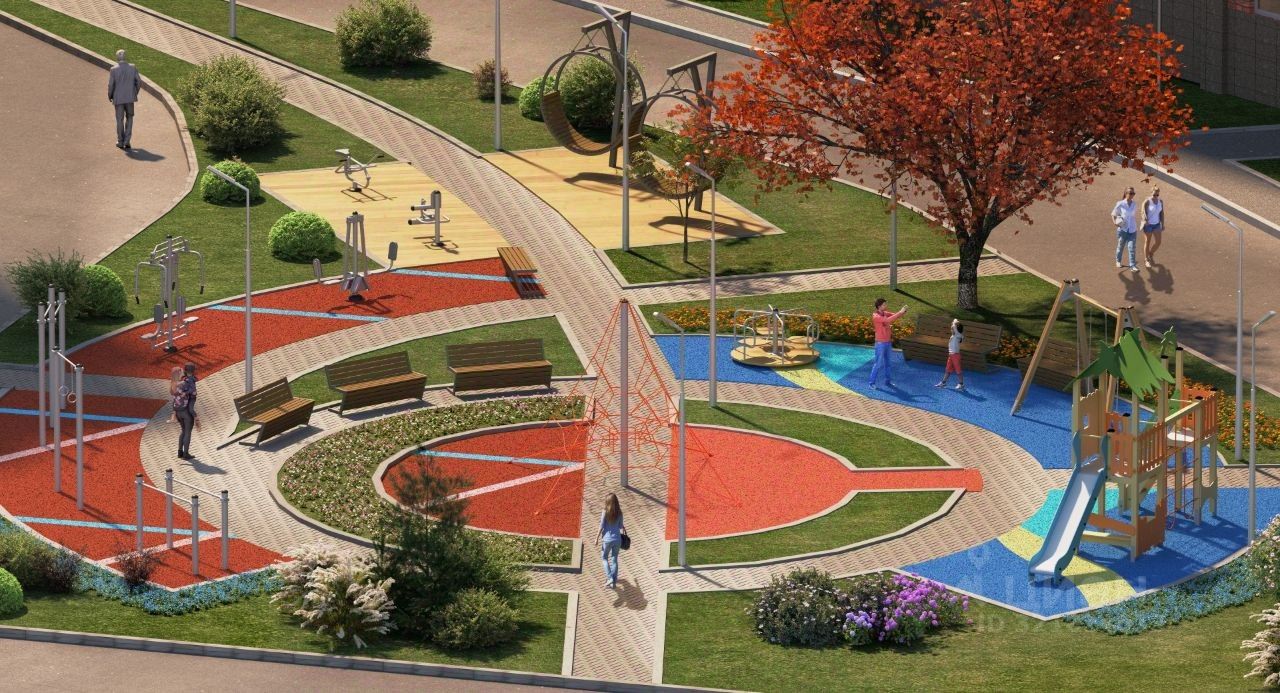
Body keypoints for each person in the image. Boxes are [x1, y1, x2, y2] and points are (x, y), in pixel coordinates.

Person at [868, 298, 908, 389]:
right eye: (884, 305)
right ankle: (871, 383)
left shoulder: (885, 313)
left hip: (888, 342)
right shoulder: (876, 316)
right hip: (880, 344)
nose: (886, 306)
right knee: (878, 364)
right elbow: (888, 320)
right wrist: (900, 312)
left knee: (888, 363)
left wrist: (903, 311)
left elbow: (895, 316)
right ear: (879, 306)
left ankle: (888, 381)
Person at [107, 49, 140, 150]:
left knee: (119, 120)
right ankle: (127, 141)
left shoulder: (113, 69)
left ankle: (120, 141)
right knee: (130, 117)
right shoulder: (133, 67)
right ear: (125, 56)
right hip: (130, 98)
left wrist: (110, 95)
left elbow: (111, 85)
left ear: (117, 57)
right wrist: (134, 92)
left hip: (118, 98)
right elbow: (138, 82)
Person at [595, 493, 626, 589]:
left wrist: (596, 538)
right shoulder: (619, 513)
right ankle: (613, 582)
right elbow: (620, 526)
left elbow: (601, 526)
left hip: (607, 540)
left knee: (604, 558)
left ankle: (610, 578)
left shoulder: (605, 511)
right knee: (614, 559)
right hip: (617, 539)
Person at [1112, 186, 1139, 272]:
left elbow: (1133, 216)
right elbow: (1113, 214)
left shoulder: (1134, 204)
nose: (1132, 195)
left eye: (1133, 193)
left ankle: (1132, 265)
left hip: (1132, 229)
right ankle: (1118, 261)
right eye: (1130, 193)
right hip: (1123, 230)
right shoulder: (1120, 203)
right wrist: (1115, 222)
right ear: (1126, 194)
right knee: (1120, 246)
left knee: (1131, 248)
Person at [173, 363, 197, 459]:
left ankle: (180, 452)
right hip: (186, 412)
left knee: (183, 431)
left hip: (178, 410)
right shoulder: (191, 382)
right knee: (187, 432)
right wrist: (195, 416)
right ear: (193, 371)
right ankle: (186, 454)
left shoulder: (181, 381)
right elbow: (191, 407)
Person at [935, 319, 965, 391]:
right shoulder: (954, 335)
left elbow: (954, 326)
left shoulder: (958, 335)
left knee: (958, 370)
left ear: (956, 329)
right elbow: (954, 327)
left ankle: (961, 384)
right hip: (951, 355)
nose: (951, 330)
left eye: (953, 329)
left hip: (955, 356)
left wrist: (955, 322)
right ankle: (943, 382)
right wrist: (955, 322)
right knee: (948, 369)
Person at [1141, 186, 1165, 268]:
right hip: (1148, 225)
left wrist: (1162, 224)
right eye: (1154, 195)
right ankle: (1146, 259)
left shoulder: (1160, 201)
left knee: (1158, 242)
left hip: (1157, 224)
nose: (1156, 196)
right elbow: (1142, 212)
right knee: (1147, 241)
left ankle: (1150, 253)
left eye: (1157, 195)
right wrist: (1145, 220)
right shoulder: (1147, 201)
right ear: (1151, 193)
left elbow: (1161, 213)